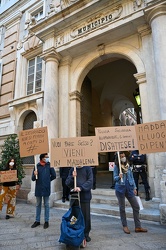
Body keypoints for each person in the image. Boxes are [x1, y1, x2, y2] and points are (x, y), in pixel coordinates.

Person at [114, 151, 147, 234]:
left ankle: (138, 226)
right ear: (118, 158)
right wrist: (119, 177)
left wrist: (134, 187)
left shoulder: (128, 166)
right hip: (120, 188)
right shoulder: (117, 166)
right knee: (122, 208)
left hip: (129, 188)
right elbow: (114, 178)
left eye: (123, 156)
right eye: (121, 156)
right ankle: (125, 226)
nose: (123, 157)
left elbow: (131, 177)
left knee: (136, 206)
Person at [65, 166, 93, 242]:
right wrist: (72, 176)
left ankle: (85, 234)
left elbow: (90, 181)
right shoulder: (72, 169)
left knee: (85, 216)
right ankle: (74, 232)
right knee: (74, 216)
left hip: (85, 197)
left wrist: (81, 188)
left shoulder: (88, 169)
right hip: (74, 198)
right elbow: (67, 183)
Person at [31, 153, 56, 229]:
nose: (47, 158)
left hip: (46, 188)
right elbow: (33, 178)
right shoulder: (36, 166)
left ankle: (46, 221)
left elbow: (54, 175)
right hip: (38, 188)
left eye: (47, 157)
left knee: (46, 205)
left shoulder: (49, 165)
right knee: (38, 204)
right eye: (46, 157)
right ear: (42, 158)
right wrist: (35, 174)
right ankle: (37, 220)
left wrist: (48, 181)